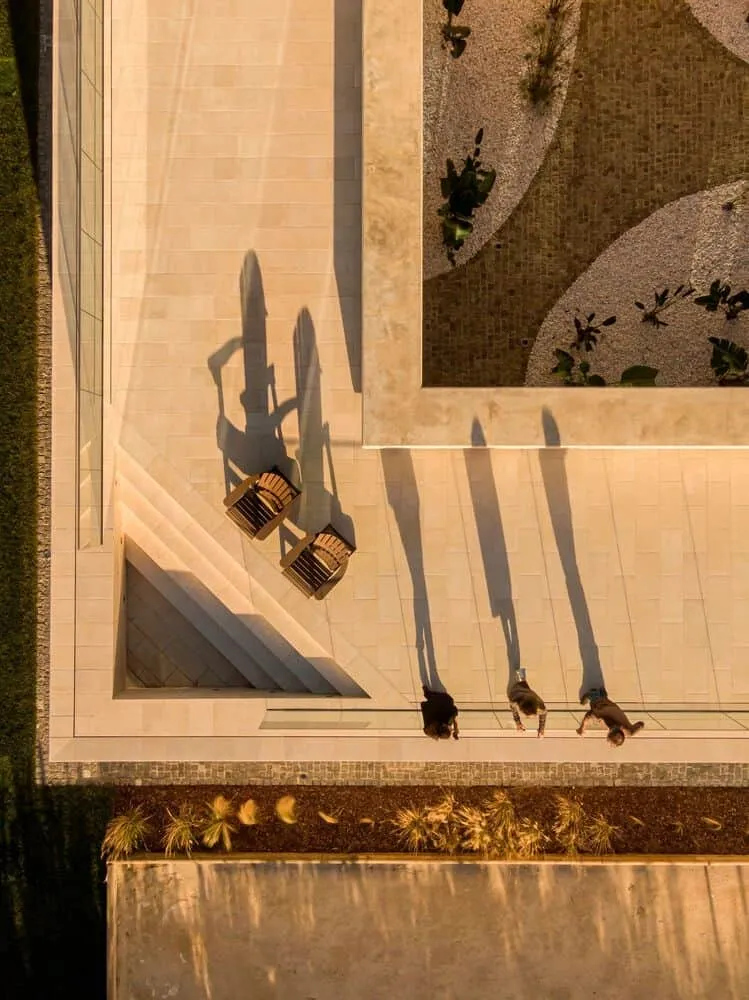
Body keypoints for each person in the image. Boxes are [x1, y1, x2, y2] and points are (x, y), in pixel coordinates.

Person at [577, 687, 644, 746]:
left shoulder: (629, 731)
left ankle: (603, 695)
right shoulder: (605, 721)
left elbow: (641, 724)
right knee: (588, 705)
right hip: (601, 705)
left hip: (610, 706)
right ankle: (594, 695)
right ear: (610, 732)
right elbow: (589, 715)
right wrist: (582, 727)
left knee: (603, 710)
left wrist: (632, 730)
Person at [508, 668, 547, 737]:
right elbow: (543, 713)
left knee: (517, 669)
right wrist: (541, 729)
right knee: (515, 667)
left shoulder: (538, 703)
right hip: (514, 688)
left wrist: (541, 729)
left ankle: (519, 669)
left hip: (521, 688)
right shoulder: (515, 701)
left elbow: (543, 712)